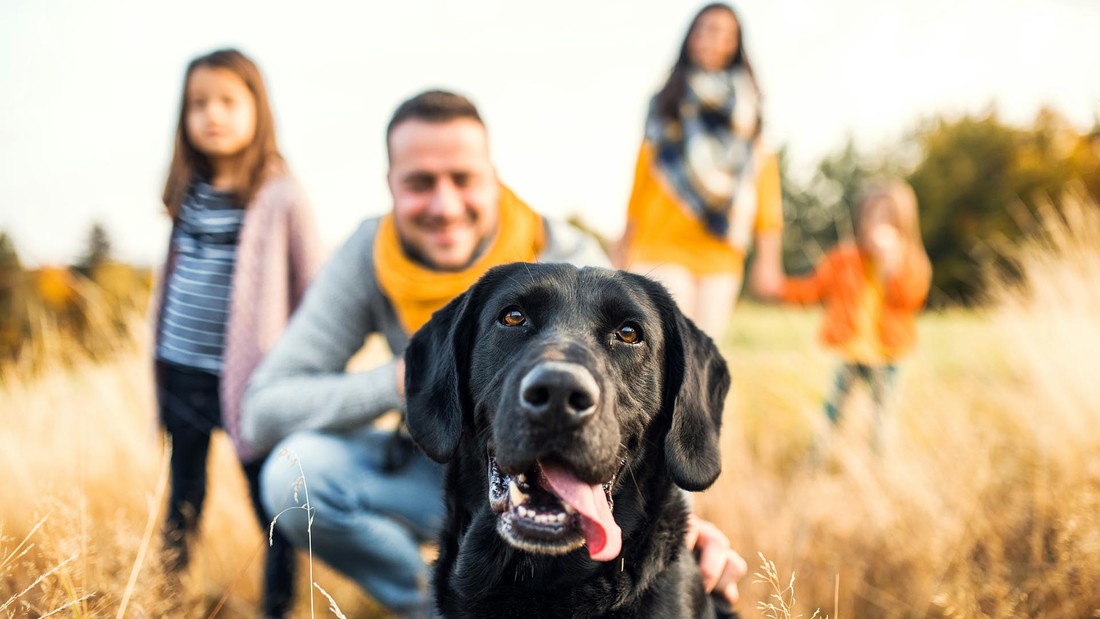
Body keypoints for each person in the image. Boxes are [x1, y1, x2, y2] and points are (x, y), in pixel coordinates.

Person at [242, 90, 748, 618]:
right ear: (390, 185)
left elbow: (638, 401)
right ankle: (429, 601)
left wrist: (682, 527)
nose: (444, 205)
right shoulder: (368, 255)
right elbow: (263, 409)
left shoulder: (571, 256)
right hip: (446, 458)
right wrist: (407, 381)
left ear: (493, 177)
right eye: (420, 183)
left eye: (462, 179)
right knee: (292, 470)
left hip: (583, 469)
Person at [152, 48, 323, 617]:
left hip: (253, 382)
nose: (212, 115)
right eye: (199, 104)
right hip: (181, 370)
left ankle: (280, 606)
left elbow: (317, 291)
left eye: (228, 101)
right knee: (183, 497)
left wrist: (304, 370)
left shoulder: (281, 194)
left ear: (258, 109)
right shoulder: (186, 191)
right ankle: (166, 596)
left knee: (270, 500)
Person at [617, 2, 785, 339]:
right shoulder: (666, 101)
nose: (714, 39)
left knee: (702, 355)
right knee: (662, 345)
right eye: (706, 29)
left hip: (721, 251)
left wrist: (769, 259)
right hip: (661, 244)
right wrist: (623, 243)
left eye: (725, 33)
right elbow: (643, 177)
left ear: (736, 45)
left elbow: (764, 184)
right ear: (691, 37)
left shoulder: (750, 111)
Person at [769, 179, 932, 448]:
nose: (879, 224)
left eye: (888, 217)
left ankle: (880, 463)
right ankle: (817, 457)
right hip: (851, 351)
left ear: (903, 223)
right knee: (833, 410)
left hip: (888, 355)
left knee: (882, 415)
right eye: (873, 216)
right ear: (861, 220)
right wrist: (779, 289)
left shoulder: (910, 261)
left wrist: (893, 268)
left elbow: (912, 299)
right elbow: (813, 290)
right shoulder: (843, 259)